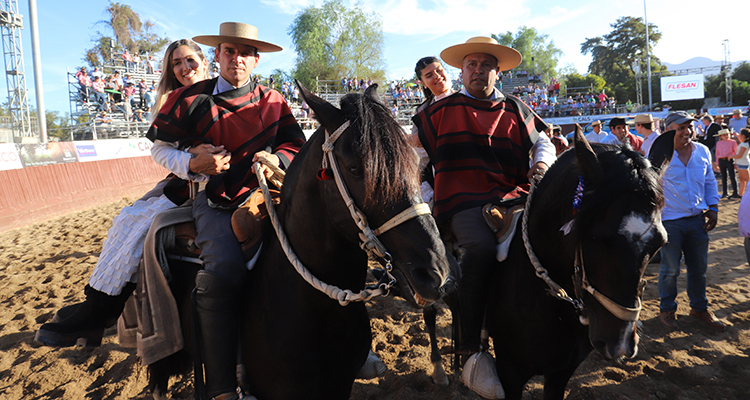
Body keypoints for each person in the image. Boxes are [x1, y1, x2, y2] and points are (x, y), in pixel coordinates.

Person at [148, 23, 306, 400]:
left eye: (245, 52)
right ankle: (223, 386)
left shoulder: (274, 100)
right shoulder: (188, 99)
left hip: (271, 196)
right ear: (217, 56)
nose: (237, 58)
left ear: (255, 59)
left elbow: (295, 145)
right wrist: (192, 163)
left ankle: (354, 350)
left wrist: (277, 158)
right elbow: (158, 149)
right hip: (215, 199)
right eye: (229, 51)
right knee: (223, 270)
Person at [35, 39, 211, 350]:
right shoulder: (173, 100)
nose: (184, 68)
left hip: (212, 183)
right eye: (177, 63)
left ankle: (101, 310)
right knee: (126, 220)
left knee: (139, 225)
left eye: (189, 61)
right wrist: (189, 159)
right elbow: (162, 150)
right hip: (186, 178)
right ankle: (98, 306)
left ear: (204, 60)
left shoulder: (218, 93)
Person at [414, 36, 555, 399]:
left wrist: (540, 163)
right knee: (478, 248)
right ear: (462, 71)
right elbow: (417, 159)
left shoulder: (516, 107)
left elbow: (544, 140)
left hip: (514, 195)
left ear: (498, 71)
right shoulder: (439, 111)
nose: (478, 71)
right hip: (461, 200)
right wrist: (429, 199)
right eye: (471, 65)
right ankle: (468, 352)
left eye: (486, 65)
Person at [658, 111, 725, 332]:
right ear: (668, 130)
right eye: (681, 127)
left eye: (689, 126)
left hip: (697, 221)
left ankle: (699, 308)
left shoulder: (703, 151)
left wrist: (713, 207)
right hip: (669, 222)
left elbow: (709, 181)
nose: (687, 131)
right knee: (670, 270)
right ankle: (667, 309)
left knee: (699, 268)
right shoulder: (660, 155)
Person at [715, 128, 739, 198]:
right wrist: (717, 163)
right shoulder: (718, 143)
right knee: (724, 176)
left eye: (727, 134)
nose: (726, 136)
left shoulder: (733, 142)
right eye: (724, 135)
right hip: (722, 160)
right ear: (720, 136)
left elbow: (736, 152)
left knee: (732, 176)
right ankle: (725, 192)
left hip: (729, 160)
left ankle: (735, 192)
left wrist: (735, 161)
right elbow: (717, 153)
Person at [730, 128, 750, 197]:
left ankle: (747, 195)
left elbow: (739, 155)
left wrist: (731, 156)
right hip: (741, 163)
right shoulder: (745, 143)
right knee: (742, 179)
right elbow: (742, 141)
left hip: (743, 163)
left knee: (747, 180)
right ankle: (740, 194)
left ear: (743, 135)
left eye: (740, 133)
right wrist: (738, 136)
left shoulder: (744, 145)